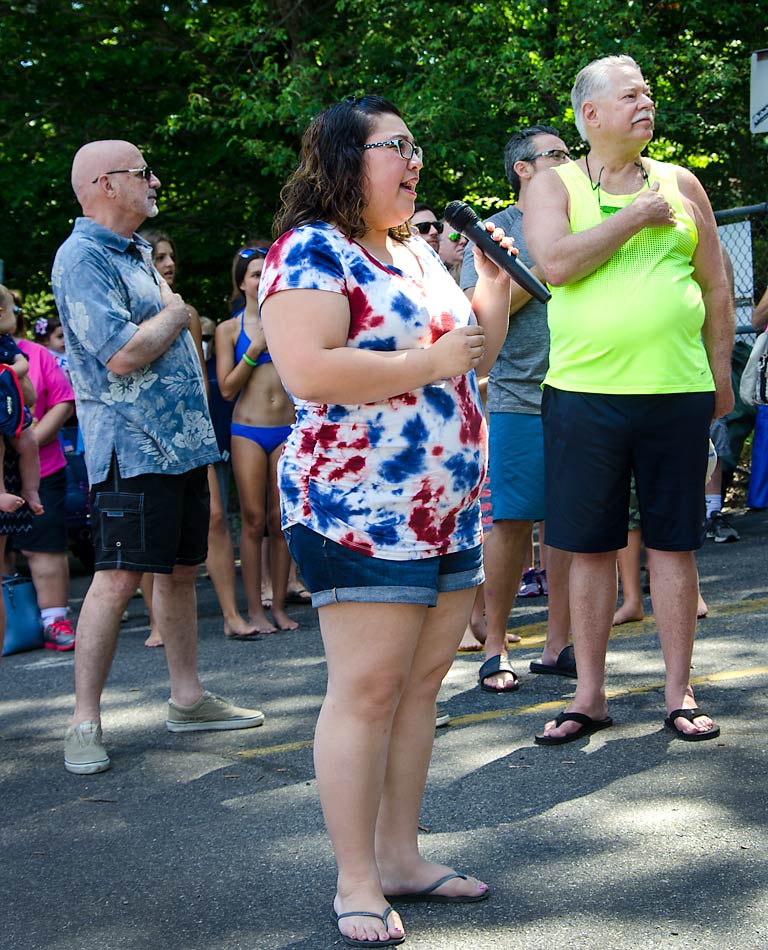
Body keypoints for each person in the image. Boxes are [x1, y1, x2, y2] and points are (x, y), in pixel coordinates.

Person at [259, 95, 512, 948]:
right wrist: (427, 361)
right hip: (357, 508)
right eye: (394, 146)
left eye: (415, 145)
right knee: (367, 692)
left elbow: (472, 353)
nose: (414, 160)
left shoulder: (413, 252)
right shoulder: (312, 251)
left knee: (419, 692)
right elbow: (308, 369)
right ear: (342, 159)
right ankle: (357, 880)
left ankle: (402, 858)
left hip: (445, 507)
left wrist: (491, 288)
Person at [524, 56, 734, 744]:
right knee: (587, 548)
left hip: (677, 391)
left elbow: (717, 287)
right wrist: (637, 217)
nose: (646, 102)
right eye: (631, 94)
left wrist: (721, 373)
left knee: (674, 545)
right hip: (585, 396)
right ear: (591, 115)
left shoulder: (682, 184)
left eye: (649, 91)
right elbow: (554, 264)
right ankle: (589, 695)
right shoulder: (553, 185)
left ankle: (680, 692)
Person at [52, 139, 265, 775]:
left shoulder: (136, 251)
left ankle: (188, 697)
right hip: (131, 447)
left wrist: (174, 313)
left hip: (177, 445)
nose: (155, 180)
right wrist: (179, 314)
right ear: (103, 184)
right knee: (116, 579)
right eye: (142, 172)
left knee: (177, 570)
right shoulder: (82, 256)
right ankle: (83, 722)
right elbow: (121, 353)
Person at [460, 126, 575, 691]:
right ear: (523, 169)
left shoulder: (584, 217)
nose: (569, 161)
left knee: (568, 521)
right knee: (509, 521)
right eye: (556, 154)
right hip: (518, 396)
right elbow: (472, 320)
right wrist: (539, 267)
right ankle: (495, 644)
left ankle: (559, 645)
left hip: (585, 390)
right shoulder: (493, 231)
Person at [139, 230, 260, 642]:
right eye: (159, 257)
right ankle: (158, 621)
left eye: (170, 256)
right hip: (144, 433)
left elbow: (197, 382)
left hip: (191, 428)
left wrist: (202, 429)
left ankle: (231, 615)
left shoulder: (186, 313)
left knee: (214, 519)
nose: (169, 264)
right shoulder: (127, 312)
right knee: (153, 527)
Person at [216, 245, 298, 633]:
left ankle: (280, 607)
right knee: (252, 521)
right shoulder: (228, 330)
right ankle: (255, 611)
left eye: (267, 271)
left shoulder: (289, 320)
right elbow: (227, 389)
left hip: (286, 428)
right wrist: (255, 349)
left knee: (281, 520)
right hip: (247, 429)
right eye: (253, 273)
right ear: (241, 282)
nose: (261, 278)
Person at [0, 285, 43, 515]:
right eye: (13, 310)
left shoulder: (5, 341)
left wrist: (6, 372)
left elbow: (23, 365)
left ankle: (31, 489)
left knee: (29, 443)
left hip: (12, 407)